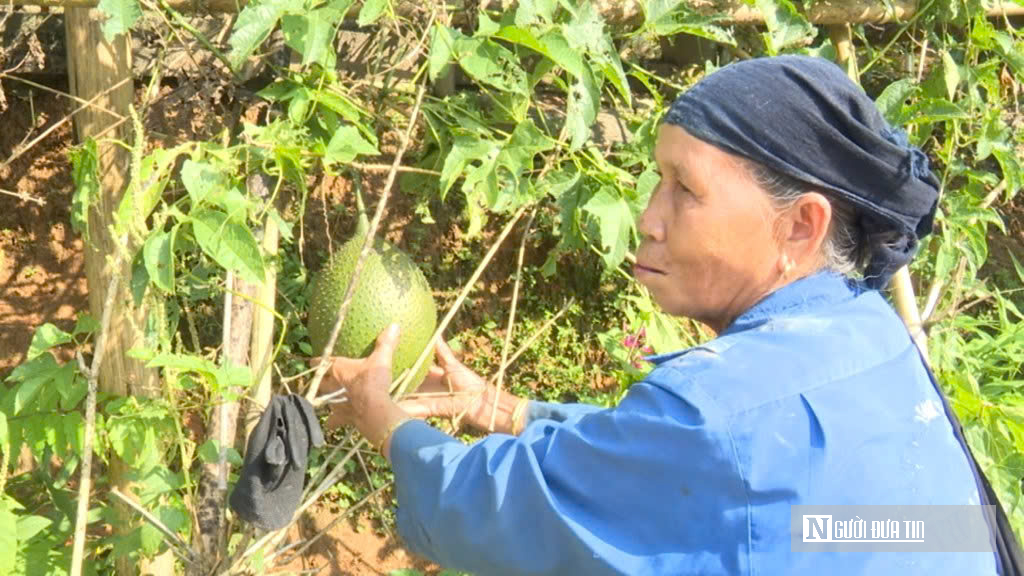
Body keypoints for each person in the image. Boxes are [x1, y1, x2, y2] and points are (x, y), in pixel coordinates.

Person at [313, 55, 1007, 575]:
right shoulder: (872, 335)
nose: (648, 218)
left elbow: (503, 513)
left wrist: (387, 424)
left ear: (799, 226)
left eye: (685, 189)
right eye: (656, 180)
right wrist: (514, 411)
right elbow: (795, 514)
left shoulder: (717, 406)